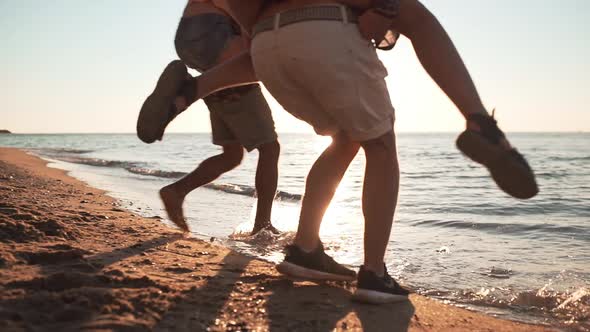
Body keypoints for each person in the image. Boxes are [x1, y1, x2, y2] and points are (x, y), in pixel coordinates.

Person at [220, 0, 537, 304]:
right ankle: (374, 271)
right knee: (381, 143)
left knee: (345, 138)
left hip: (266, 45)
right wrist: (384, 5)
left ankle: (305, 248)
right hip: (324, 30)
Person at [137, 0, 281, 235]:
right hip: (217, 29)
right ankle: (262, 226)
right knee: (269, 148)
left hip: (195, 35)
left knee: (232, 155)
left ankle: (176, 191)